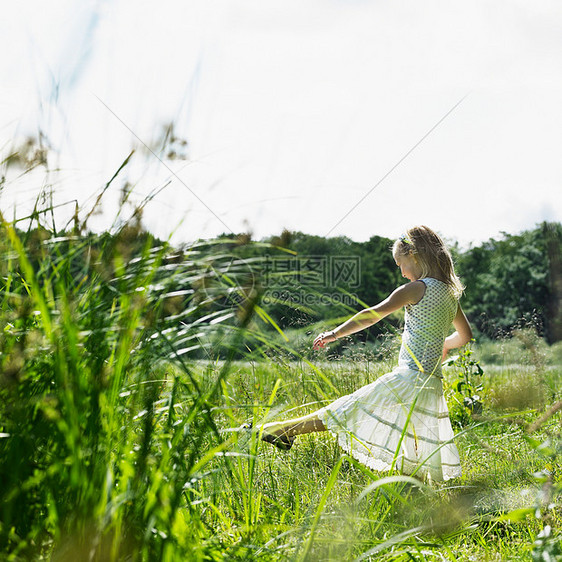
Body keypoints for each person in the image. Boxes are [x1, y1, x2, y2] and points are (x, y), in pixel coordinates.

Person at [256, 225, 473, 482]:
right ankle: (414, 492)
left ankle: (281, 430)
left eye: (400, 264)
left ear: (414, 255)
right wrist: (444, 345)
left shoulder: (417, 288)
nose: (401, 272)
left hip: (408, 377)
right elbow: (465, 335)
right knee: (414, 442)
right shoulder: (450, 293)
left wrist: (334, 334)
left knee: (345, 410)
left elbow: (372, 315)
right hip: (431, 383)